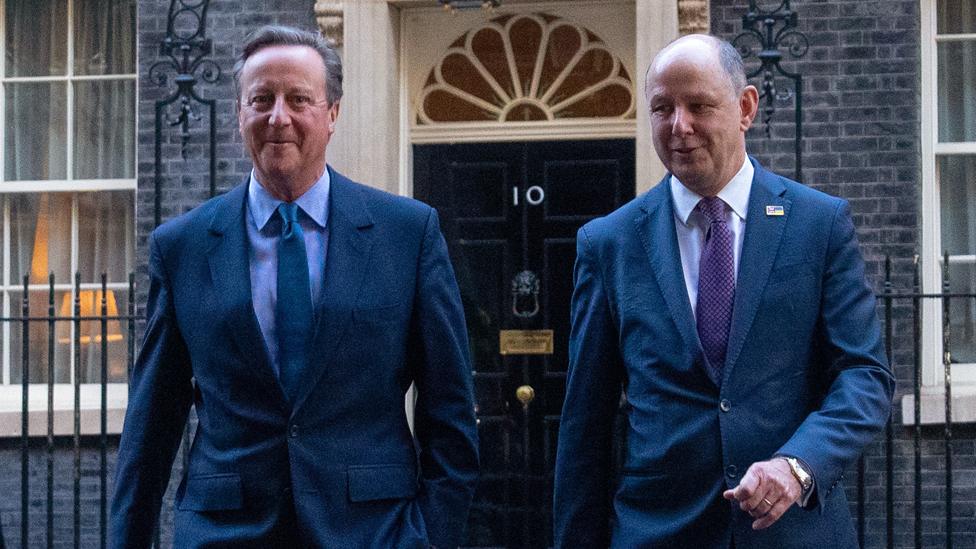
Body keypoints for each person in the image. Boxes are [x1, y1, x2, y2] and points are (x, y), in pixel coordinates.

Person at [111, 25, 479, 548]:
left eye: (298, 99)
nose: (277, 116)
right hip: (226, 533)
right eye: (261, 99)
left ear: (332, 113)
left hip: (375, 533)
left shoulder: (406, 234)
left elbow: (451, 414)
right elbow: (150, 430)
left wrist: (430, 536)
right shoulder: (183, 247)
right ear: (240, 113)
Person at [553, 34, 894, 548]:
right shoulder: (609, 243)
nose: (679, 126)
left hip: (794, 533)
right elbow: (585, 423)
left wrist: (798, 464)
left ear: (745, 108)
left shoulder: (817, 225)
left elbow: (865, 376)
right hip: (659, 531)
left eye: (699, 106)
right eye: (662, 109)